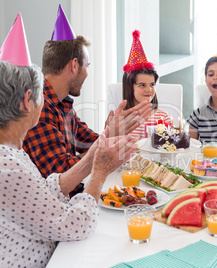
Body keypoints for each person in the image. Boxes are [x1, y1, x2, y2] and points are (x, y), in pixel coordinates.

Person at [0, 15, 139, 266]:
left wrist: (104, 144)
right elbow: (75, 226)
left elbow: (44, 190)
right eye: (40, 94)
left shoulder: (13, 154)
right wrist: (97, 173)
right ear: (26, 100)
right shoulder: (9, 167)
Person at [22, 7, 151, 182]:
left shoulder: (62, 104)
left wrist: (110, 133)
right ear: (74, 66)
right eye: (87, 65)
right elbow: (63, 174)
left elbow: (88, 142)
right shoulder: (41, 108)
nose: (87, 73)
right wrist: (107, 138)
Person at [122, 30, 172, 139]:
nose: (149, 89)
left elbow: (169, 147)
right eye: (142, 85)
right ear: (130, 87)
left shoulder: (163, 117)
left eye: (152, 84)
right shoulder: (122, 119)